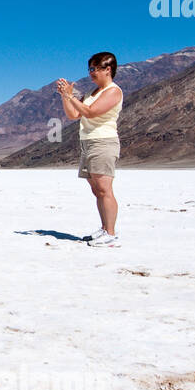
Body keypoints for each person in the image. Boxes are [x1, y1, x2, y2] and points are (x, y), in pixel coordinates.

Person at [54, 52, 123, 247]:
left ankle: (110, 233)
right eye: (90, 69)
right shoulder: (93, 93)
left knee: (104, 189)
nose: (91, 73)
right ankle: (104, 229)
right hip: (88, 142)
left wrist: (70, 95)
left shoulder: (113, 91)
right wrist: (65, 98)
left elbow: (91, 113)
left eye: (95, 68)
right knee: (97, 190)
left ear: (107, 69)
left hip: (103, 142)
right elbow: (74, 115)